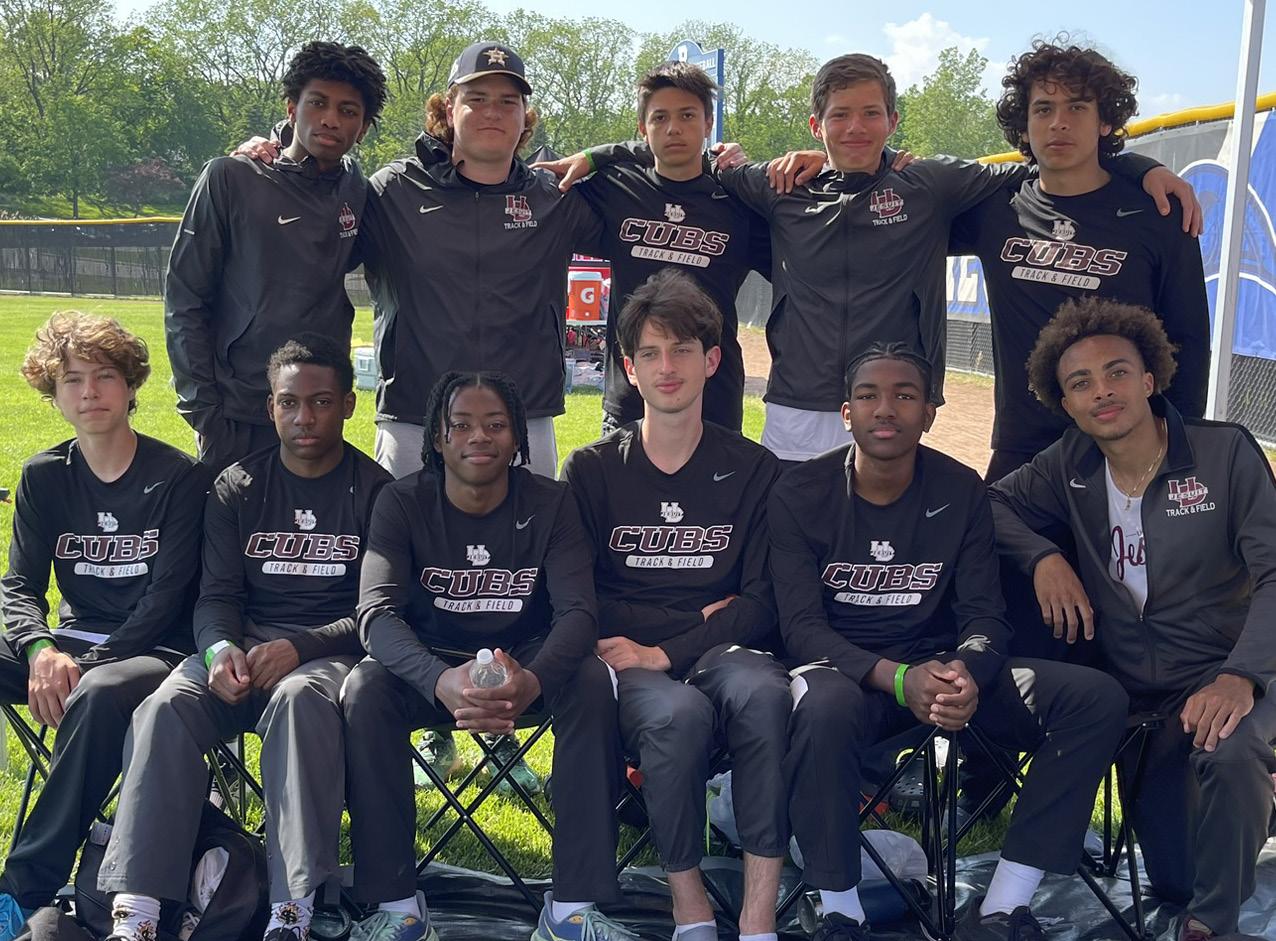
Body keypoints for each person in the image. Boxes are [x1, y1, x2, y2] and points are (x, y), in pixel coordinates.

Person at [543, 54, 1197, 462]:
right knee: (790, 547)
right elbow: (681, 155)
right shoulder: (776, 187)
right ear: (816, 126)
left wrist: (1138, 166)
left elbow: (1049, 166)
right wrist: (602, 154)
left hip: (895, 399)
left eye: (870, 114)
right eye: (839, 116)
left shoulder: (931, 184)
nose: (855, 127)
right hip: (798, 403)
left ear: (892, 121)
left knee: (884, 547)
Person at [770, 342, 1129, 941]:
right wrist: (897, 678)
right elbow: (801, 629)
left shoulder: (961, 488)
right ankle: (840, 912)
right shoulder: (799, 492)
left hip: (945, 677)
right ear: (846, 413)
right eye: (868, 396)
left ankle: (1004, 906)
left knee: (1094, 698)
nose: (886, 409)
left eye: (905, 395)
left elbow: (985, 616)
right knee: (823, 706)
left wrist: (966, 672)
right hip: (850, 677)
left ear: (930, 412)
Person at [946, 37, 1212, 826]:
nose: (1058, 123)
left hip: (1127, 460)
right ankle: (983, 786)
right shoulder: (995, 205)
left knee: (1125, 632)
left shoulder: (1155, 213)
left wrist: (1172, 462)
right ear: (1022, 123)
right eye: (1042, 109)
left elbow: (1189, 347)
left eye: (1077, 107)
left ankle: (1140, 799)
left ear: (1107, 120)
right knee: (1001, 619)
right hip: (1024, 458)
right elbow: (897, 186)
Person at [989, 298, 1276, 941]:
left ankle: (1213, 926)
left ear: (1149, 379)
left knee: (1231, 753)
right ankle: (1255, 809)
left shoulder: (1224, 454)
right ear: (1066, 404)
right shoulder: (1068, 463)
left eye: (1116, 372)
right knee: (1175, 878)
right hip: (1142, 699)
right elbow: (989, 507)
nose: (1102, 392)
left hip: (1224, 671)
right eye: (1080, 383)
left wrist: (1242, 677)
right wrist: (1042, 557)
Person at [97, 334, 391, 941]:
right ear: (270, 407)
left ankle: (292, 909)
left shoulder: (378, 491)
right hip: (240, 650)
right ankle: (138, 911)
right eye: (289, 403)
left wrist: (300, 648)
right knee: (165, 707)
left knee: (299, 700)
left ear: (347, 405)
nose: (304, 417)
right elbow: (216, 596)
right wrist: (218, 650)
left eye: (321, 402)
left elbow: (375, 611)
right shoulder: (237, 486)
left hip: (327, 654)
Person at [342, 371, 628, 941]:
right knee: (366, 691)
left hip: (524, 656)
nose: (479, 436)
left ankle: (573, 909)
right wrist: (438, 679)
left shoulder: (552, 502)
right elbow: (376, 614)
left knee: (592, 681)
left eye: (496, 425)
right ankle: (396, 906)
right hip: (433, 658)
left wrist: (534, 680)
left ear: (518, 436)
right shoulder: (400, 501)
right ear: (437, 437)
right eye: (462, 425)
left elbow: (578, 614)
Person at [561, 270, 786, 941]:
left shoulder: (756, 468)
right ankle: (690, 904)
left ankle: (759, 915)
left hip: (716, 652)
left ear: (712, 360)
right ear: (629, 369)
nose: (668, 368)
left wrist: (667, 647)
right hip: (625, 661)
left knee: (765, 695)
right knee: (679, 715)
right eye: (651, 353)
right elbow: (581, 598)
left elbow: (763, 602)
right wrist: (693, 624)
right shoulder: (591, 470)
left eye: (683, 350)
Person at [0, 313, 211, 941]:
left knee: (95, 691)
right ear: (53, 391)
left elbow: (165, 598)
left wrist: (82, 665)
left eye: (104, 377)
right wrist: (41, 649)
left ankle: (22, 888)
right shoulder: (44, 475)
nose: (89, 392)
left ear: (131, 385)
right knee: (74, 678)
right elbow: (18, 586)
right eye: (72, 380)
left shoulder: (179, 477)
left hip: (156, 649)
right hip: (70, 642)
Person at [166, 41, 387, 470]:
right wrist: (204, 411)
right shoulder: (230, 177)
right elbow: (184, 301)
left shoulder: (357, 190)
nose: (330, 118)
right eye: (317, 103)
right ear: (291, 108)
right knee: (231, 515)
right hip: (237, 413)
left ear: (362, 128)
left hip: (316, 414)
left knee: (311, 518)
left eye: (348, 111)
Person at [561, 62, 771, 433]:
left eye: (687, 115)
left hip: (714, 402)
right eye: (660, 117)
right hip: (630, 401)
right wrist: (597, 155)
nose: (674, 128)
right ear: (643, 128)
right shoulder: (615, 187)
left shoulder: (737, 200)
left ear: (708, 123)